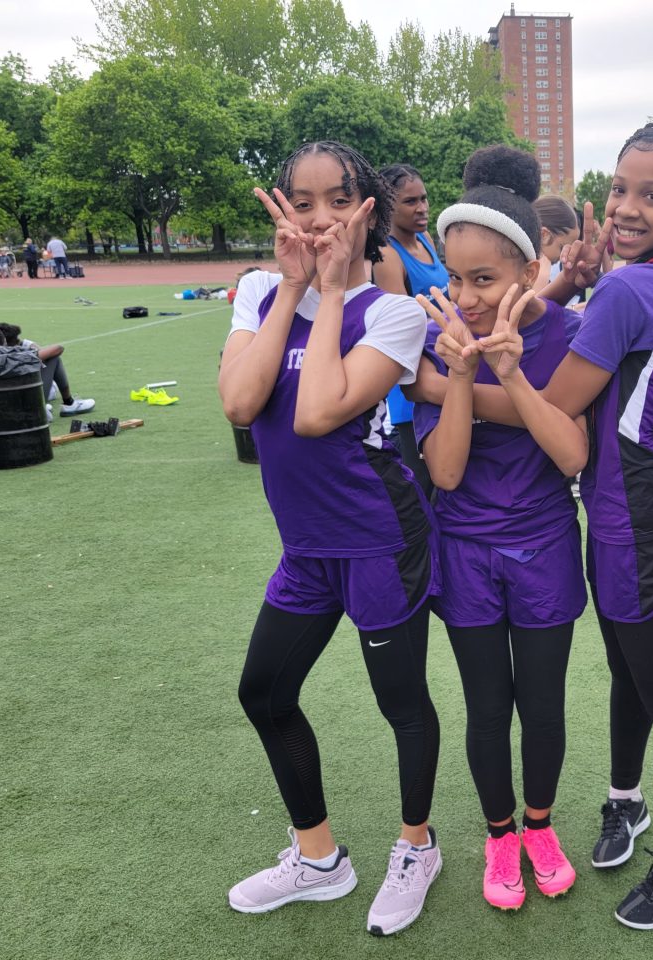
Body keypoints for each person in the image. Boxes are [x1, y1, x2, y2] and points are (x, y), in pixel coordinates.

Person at [419, 122, 653, 930]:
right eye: (619, 189)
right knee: (537, 697)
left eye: (651, 194)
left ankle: (616, 843)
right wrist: (465, 363)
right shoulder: (635, 287)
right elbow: (450, 467)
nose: (624, 206)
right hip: (539, 533)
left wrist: (451, 379)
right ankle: (552, 822)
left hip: (602, 528)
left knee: (598, 698)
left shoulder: (599, 308)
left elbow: (564, 429)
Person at [218, 140, 442, 936]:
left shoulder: (393, 313)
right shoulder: (258, 291)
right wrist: (293, 286)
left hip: (380, 540)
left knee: (399, 703)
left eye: (339, 200)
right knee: (264, 693)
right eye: (302, 201)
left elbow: (316, 414)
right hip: (307, 548)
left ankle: (418, 846)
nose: (320, 219)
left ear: (366, 211)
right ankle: (318, 859)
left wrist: (335, 291)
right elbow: (241, 405)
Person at [410, 146, 588, 912]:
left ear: (530, 269)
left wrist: (511, 371)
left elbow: (573, 456)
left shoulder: (570, 333)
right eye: (455, 279)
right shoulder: (442, 341)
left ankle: (540, 828)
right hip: (466, 551)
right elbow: (447, 473)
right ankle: (498, 834)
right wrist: (459, 372)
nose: (466, 297)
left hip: (546, 545)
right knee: (488, 707)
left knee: (542, 705)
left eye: (483, 279)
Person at [373, 163, 446, 500]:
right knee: (422, 494)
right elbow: (404, 330)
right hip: (411, 391)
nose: (422, 208)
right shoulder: (387, 255)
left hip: (445, 373)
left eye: (424, 198)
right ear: (387, 206)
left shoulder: (426, 240)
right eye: (410, 201)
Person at [0, 323, 96, 418]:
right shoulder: (15, 357)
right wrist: (27, 347)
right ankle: (69, 403)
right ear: (4, 342)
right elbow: (58, 349)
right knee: (53, 359)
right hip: (26, 409)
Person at [531, 195, 581, 305]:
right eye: (562, 247)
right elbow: (531, 313)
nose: (565, 255)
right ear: (544, 235)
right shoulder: (540, 271)